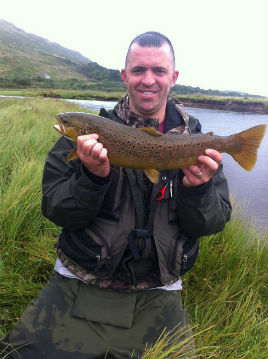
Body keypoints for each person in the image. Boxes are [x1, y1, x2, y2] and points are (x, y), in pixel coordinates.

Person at [0, 31, 231, 359]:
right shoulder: (84, 136)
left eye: (159, 71)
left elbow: (211, 223)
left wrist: (200, 189)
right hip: (79, 282)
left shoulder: (193, 144)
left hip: (160, 292)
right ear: (124, 75)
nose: (148, 80)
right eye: (138, 70)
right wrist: (91, 179)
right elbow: (55, 209)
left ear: (174, 77)